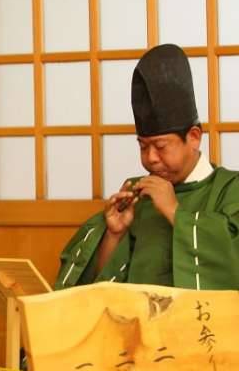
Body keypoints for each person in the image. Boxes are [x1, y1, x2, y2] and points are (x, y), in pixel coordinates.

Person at [55, 44, 239, 291]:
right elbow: (94, 290)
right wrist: (114, 234)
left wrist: (175, 212)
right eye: (143, 146)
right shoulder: (139, 195)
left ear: (194, 137)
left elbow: (231, 261)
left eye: (160, 146)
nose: (150, 158)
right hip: (132, 316)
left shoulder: (230, 189)